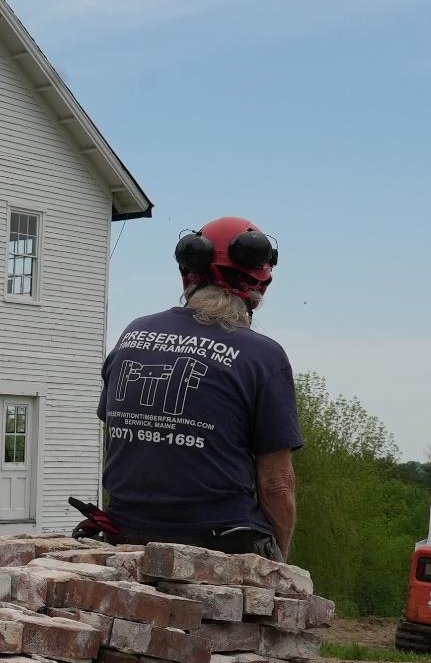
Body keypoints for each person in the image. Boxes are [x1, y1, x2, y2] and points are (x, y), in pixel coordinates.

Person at [95, 215, 300, 559]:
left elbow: (123, 434)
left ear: (189, 273)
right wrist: (281, 565)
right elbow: (276, 484)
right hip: (220, 542)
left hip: (124, 536)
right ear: (260, 285)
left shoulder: (133, 334)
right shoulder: (263, 356)